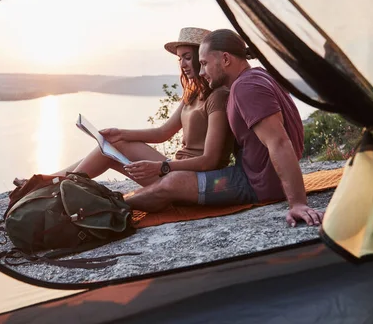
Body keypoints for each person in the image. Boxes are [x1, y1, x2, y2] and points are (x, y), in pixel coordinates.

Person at [124, 29, 324, 227]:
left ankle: (113, 206)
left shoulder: (246, 87)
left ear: (226, 59)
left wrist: (297, 203)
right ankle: (115, 202)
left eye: (204, 64)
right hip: (255, 176)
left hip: (257, 184)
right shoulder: (257, 76)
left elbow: (279, 142)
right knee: (174, 180)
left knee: (172, 183)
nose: (201, 72)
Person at [50, 27, 235, 186]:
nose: (183, 64)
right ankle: (50, 181)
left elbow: (211, 160)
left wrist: (161, 166)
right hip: (175, 168)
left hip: (189, 176)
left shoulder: (217, 96)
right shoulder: (192, 95)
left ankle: (55, 185)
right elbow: (163, 132)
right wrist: (121, 132)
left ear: (202, 57)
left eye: (188, 57)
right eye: (180, 59)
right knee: (110, 147)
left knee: (116, 146)